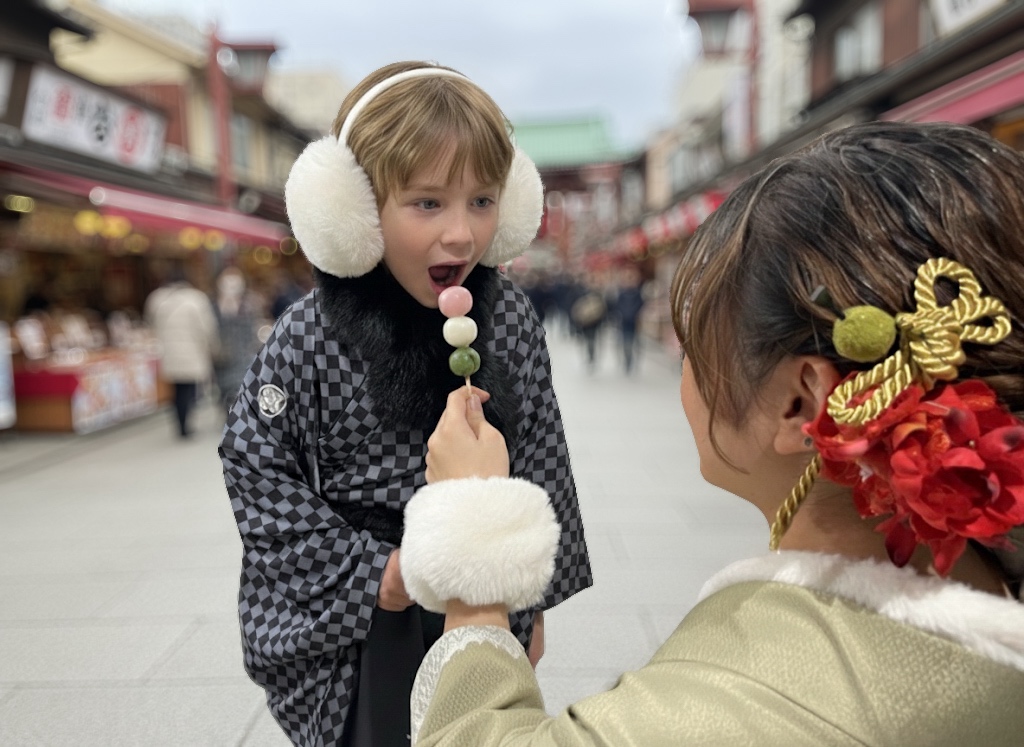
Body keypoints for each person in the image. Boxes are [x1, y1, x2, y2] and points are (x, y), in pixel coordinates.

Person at [400, 121, 1024, 745]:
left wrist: (474, 552)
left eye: (699, 331)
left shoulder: (752, 705)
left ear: (801, 402)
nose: (687, 361)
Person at [218, 61, 593, 747]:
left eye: (483, 201)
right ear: (354, 209)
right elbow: (254, 459)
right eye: (428, 204)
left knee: (487, 725)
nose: (461, 234)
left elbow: (541, 451)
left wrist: (532, 594)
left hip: (483, 584)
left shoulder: (508, 315)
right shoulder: (309, 332)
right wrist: (373, 574)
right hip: (370, 606)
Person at [144, 263, 218, 438]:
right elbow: (207, 327)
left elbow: (150, 323)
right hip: (192, 350)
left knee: (176, 389)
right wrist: (212, 347)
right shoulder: (196, 299)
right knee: (189, 388)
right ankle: (186, 424)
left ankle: (180, 423)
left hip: (168, 351)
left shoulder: (156, 299)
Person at [212, 267, 263, 413]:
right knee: (224, 390)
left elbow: (252, 329)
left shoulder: (249, 305)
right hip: (222, 358)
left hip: (244, 357)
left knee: (241, 389)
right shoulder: (213, 305)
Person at [612, 265, 646, 374]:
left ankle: (631, 360)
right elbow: (616, 306)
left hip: (634, 323)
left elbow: (641, 305)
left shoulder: (637, 293)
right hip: (624, 323)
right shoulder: (621, 293)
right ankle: (628, 360)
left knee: (634, 342)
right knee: (626, 343)